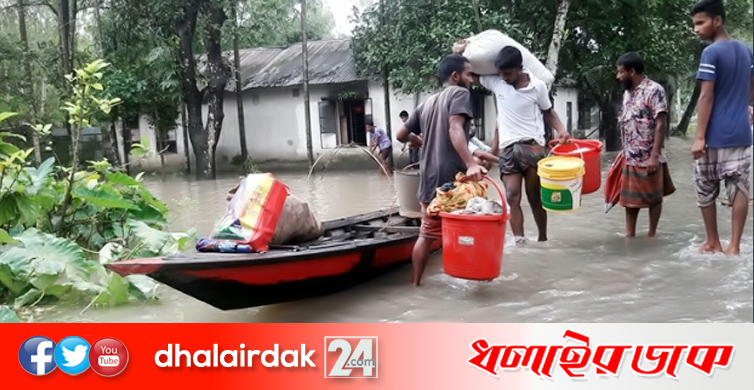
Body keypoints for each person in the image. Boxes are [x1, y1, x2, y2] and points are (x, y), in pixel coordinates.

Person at [453, 42, 571, 243]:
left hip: (532, 148)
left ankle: (542, 239)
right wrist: (459, 53)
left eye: (507, 73)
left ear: (519, 68)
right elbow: (467, 75)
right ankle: (520, 242)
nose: (504, 77)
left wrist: (562, 129)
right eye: (500, 73)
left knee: (534, 197)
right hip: (508, 150)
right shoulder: (497, 82)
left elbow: (548, 111)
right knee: (511, 195)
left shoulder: (538, 87)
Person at [396, 53, 487, 286]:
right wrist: (471, 164)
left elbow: (401, 135)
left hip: (428, 179)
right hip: (453, 179)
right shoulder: (460, 93)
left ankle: (416, 284)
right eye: (469, 75)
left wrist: (420, 141)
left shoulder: (426, 103)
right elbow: (455, 129)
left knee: (426, 234)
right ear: (455, 76)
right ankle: (473, 283)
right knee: (469, 233)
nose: (472, 80)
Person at [690, 0, 753, 256]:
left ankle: (713, 242)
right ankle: (734, 246)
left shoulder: (711, 53)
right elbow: (751, 87)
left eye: (700, 23)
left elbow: (706, 96)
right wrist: (746, 106)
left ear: (717, 21)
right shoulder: (747, 51)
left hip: (714, 135)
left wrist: (699, 136)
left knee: (705, 188)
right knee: (739, 187)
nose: (696, 29)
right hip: (740, 132)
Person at [615, 52, 676, 238]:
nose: (618, 77)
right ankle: (629, 235)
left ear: (632, 71)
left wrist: (654, 155)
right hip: (630, 154)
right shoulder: (627, 93)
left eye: (620, 72)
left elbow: (660, 123)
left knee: (654, 198)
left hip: (649, 155)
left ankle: (651, 235)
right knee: (628, 201)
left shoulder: (654, 90)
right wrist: (623, 151)